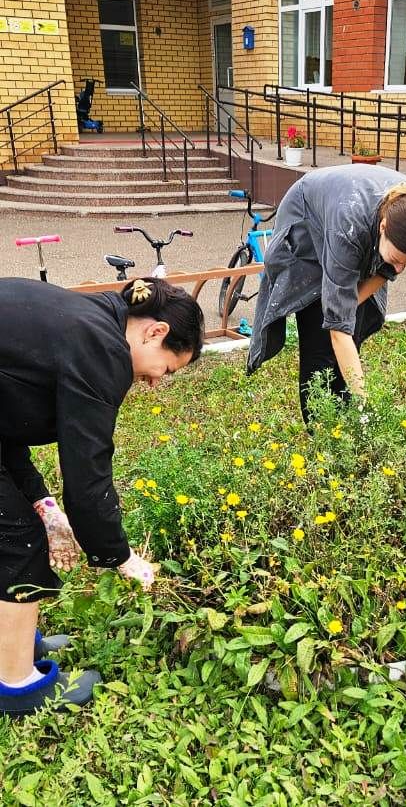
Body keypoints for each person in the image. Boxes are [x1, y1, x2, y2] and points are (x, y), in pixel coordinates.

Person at [0, 276, 204, 717]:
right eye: (165, 369)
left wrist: (42, 503)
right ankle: (15, 685)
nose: (154, 382)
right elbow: (86, 469)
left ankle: (12, 643)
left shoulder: (91, 320)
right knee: (19, 542)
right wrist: (117, 554)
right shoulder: (103, 348)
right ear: (156, 332)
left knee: (21, 526)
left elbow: (6, 421)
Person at [247, 164, 406, 421]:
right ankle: (319, 430)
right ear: (383, 227)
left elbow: (384, 272)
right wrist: (365, 407)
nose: (398, 268)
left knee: (353, 326)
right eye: (397, 258)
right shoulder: (347, 228)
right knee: (321, 336)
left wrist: (347, 307)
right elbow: (338, 330)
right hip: (308, 234)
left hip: (352, 220)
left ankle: (344, 417)